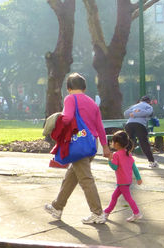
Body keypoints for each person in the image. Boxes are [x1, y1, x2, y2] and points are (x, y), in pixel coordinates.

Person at [44, 73, 111, 224]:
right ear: (84, 87)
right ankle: (57, 207)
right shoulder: (92, 102)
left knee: (86, 180)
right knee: (70, 178)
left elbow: (67, 118)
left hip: (77, 144)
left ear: (68, 88)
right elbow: (100, 127)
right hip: (91, 143)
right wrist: (105, 147)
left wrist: (55, 119)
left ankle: (97, 213)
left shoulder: (70, 98)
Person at [102, 131, 143, 222]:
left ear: (116, 143)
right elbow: (134, 167)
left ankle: (137, 213)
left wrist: (109, 159)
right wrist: (138, 178)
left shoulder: (116, 154)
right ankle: (106, 212)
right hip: (127, 181)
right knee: (114, 197)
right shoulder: (128, 153)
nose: (112, 143)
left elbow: (114, 167)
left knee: (128, 198)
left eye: (112, 141)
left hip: (122, 182)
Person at [124, 96, 158, 168]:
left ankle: (125, 161)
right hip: (140, 125)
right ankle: (151, 161)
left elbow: (126, 113)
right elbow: (147, 113)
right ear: (149, 101)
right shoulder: (149, 106)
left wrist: (134, 113)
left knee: (129, 143)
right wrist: (138, 112)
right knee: (144, 143)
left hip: (129, 125)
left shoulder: (134, 106)